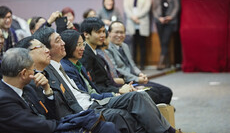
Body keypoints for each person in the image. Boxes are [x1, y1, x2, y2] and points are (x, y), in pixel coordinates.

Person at [34, 26, 178, 133]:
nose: (63, 43)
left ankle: (167, 131)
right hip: (87, 107)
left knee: (139, 96)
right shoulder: (49, 71)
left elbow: (83, 92)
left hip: (93, 101)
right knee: (124, 114)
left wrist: (115, 93)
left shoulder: (61, 66)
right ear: (46, 48)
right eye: (58, 41)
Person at [15, 36, 119, 133]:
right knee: (112, 119)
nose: (47, 50)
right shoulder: (27, 83)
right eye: (41, 47)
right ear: (26, 54)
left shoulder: (46, 74)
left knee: (112, 119)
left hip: (72, 116)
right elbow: (47, 118)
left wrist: (48, 91)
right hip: (61, 124)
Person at [106, 21, 173, 104]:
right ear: (109, 33)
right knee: (154, 93)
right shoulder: (107, 49)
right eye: (116, 32)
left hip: (136, 78)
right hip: (126, 82)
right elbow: (117, 70)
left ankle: (163, 113)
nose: (119, 35)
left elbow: (132, 64)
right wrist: (137, 79)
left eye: (122, 32)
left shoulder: (125, 45)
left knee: (166, 91)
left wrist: (140, 74)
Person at [0, 48, 57, 133]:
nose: (35, 73)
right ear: (23, 74)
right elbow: (40, 126)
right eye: (33, 69)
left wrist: (47, 89)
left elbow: (49, 115)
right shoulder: (3, 100)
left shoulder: (28, 89)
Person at [80, 17, 134, 94]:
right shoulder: (85, 54)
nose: (103, 35)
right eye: (98, 32)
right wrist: (118, 90)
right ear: (86, 34)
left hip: (110, 89)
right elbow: (94, 86)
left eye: (103, 31)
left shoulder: (94, 52)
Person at [123, 0, 152, 70]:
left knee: (142, 44)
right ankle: (134, 64)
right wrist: (132, 17)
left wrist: (137, 16)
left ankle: (142, 64)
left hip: (142, 22)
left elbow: (147, 7)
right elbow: (126, 8)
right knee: (133, 45)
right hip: (132, 23)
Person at [153, 0, 179, 70]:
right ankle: (167, 63)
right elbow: (154, 9)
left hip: (170, 21)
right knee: (162, 42)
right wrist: (159, 18)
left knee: (165, 41)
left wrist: (170, 17)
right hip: (159, 21)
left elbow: (176, 6)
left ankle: (161, 62)